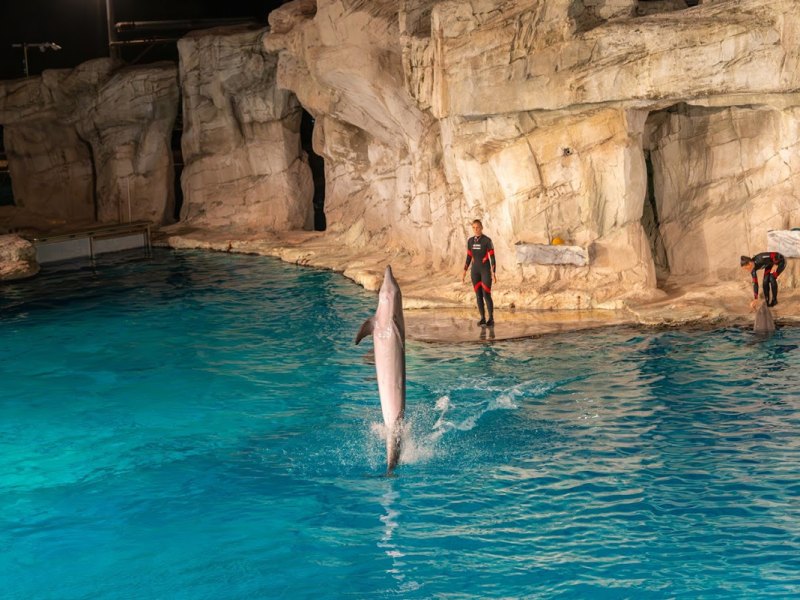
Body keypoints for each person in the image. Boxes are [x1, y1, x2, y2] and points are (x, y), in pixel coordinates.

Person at [461, 219, 497, 326]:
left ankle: (491, 318)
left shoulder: (487, 240)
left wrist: (493, 272)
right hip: (475, 271)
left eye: (477, 227)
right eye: (473, 227)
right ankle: (482, 318)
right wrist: (464, 270)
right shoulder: (470, 241)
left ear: (481, 228)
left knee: (486, 294)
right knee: (478, 295)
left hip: (485, 270)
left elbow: (492, 257)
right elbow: (469, 256)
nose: (476, 229)